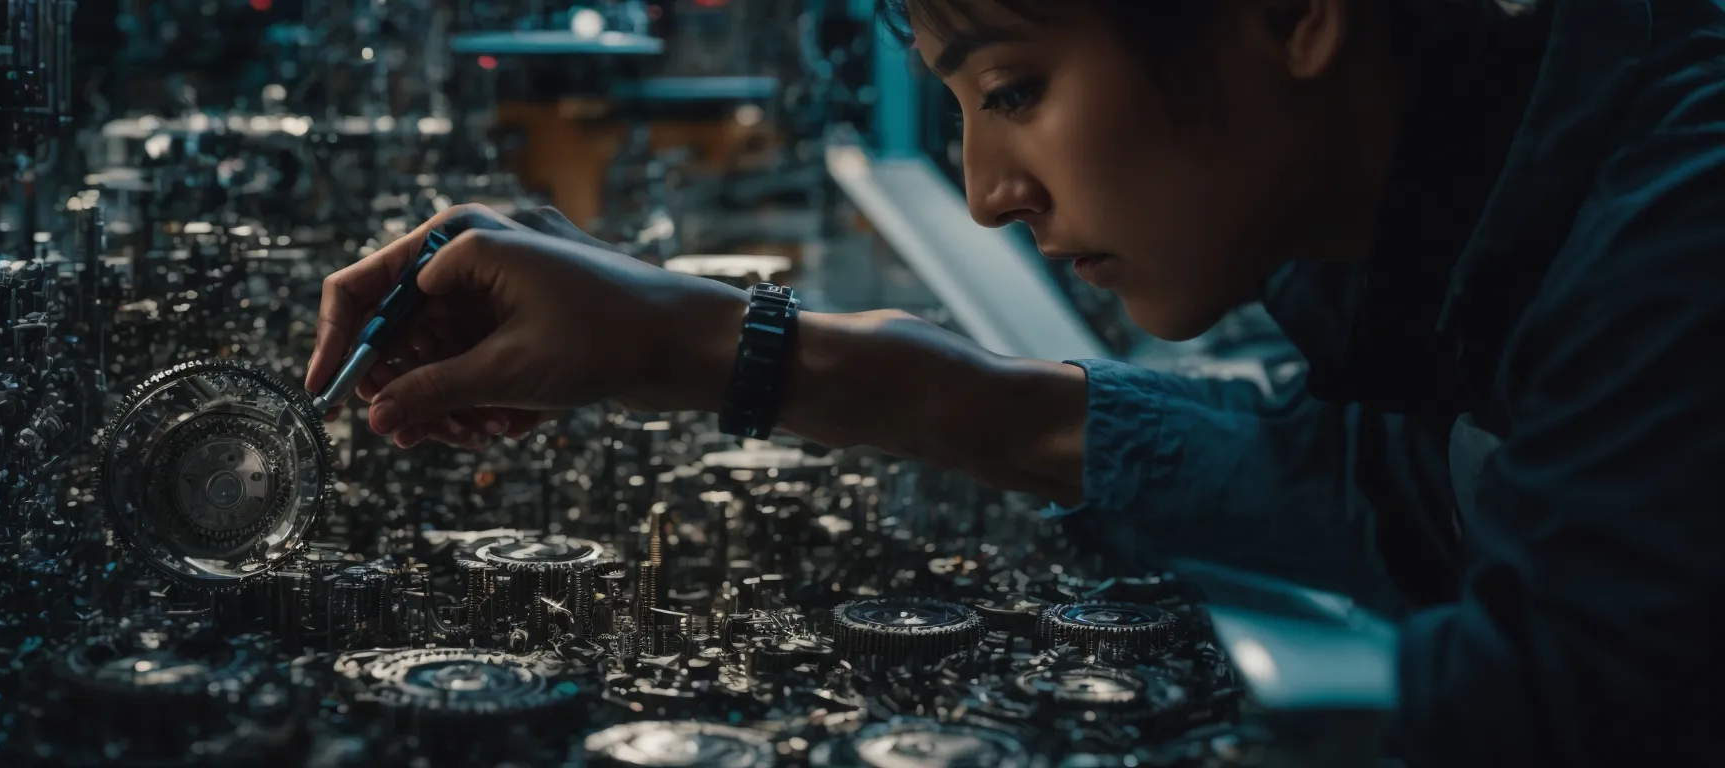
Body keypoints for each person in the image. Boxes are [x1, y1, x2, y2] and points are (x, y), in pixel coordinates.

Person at [306, 0, 1724, 763]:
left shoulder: (1677, 247)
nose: (987, 194)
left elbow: (1561, 709)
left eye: (1017, 89)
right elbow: (1400, 485)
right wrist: (696, 342)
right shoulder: (1508, 210)